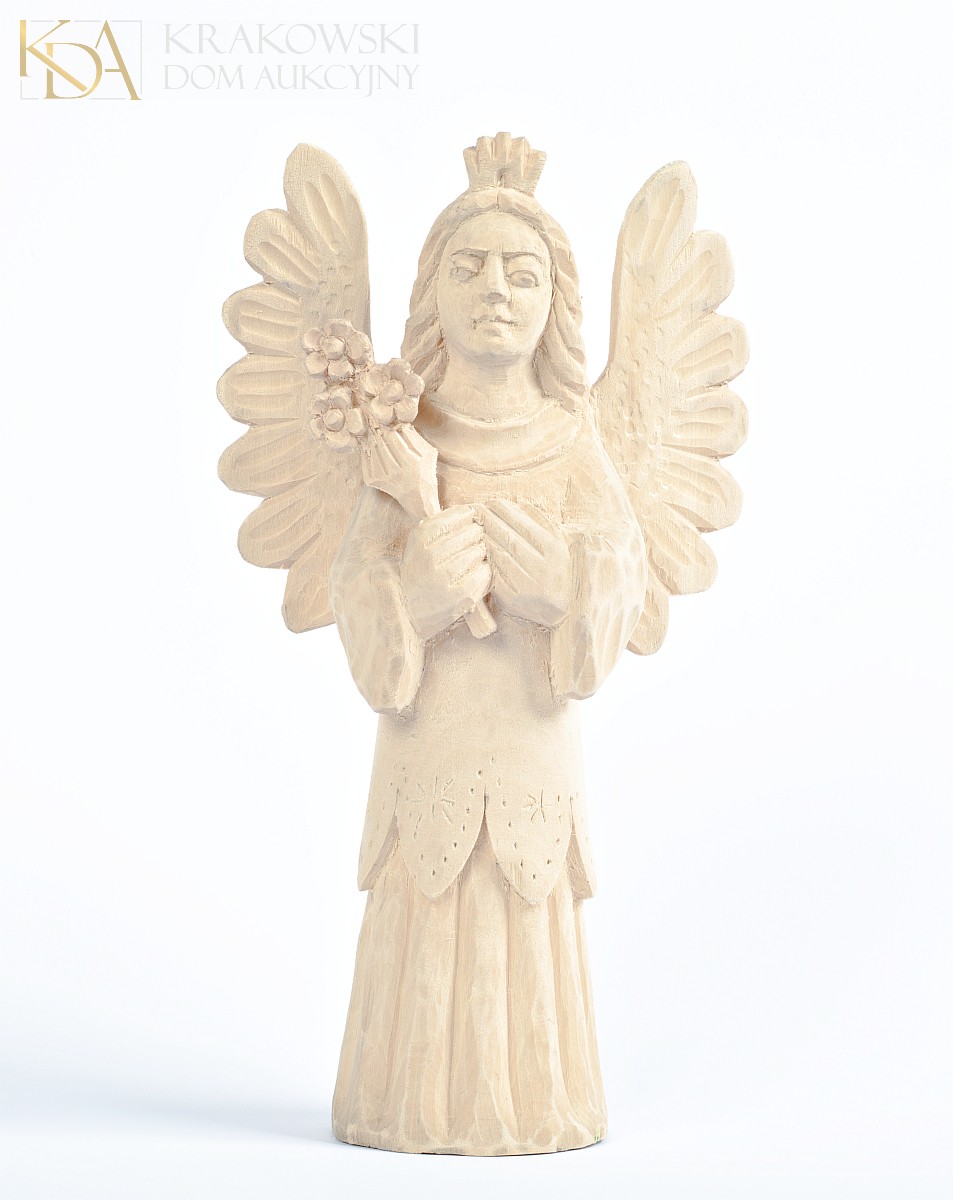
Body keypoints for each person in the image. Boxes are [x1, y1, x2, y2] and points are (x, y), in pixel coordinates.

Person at [328, 141, 647, 1155]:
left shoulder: (573, 440)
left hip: (528, 757)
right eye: (467, 268)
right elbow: (356, 587)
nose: (496, 290)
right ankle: (403, 1102)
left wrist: (565, 591)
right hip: (424, 758)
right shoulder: (396, 441)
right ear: (430, 294)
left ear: (557, 302)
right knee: (424, 923)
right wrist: (414, 600)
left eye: (523, 271)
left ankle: (536, 1104)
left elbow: (622, 572)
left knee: (524, 912)